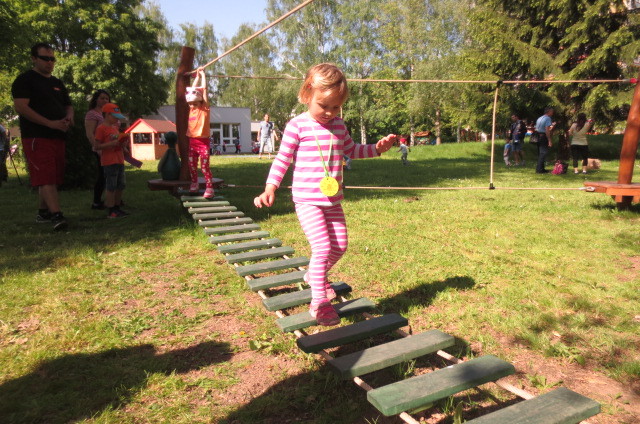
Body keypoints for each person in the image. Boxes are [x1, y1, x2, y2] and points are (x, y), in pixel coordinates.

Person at [254, 63, 396, 326]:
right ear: (307, 94)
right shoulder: (297, 126)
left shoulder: (339, 125)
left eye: (336, 107)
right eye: (324, 105)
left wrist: (377, 148)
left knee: (339, 247)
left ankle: (313, 275)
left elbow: (352, 150)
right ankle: (319, 303)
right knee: (322, 248)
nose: (330, 113)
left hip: (332, 200)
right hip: (307, 201)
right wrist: (270, 187)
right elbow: (282, 159)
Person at [11, 42, 74, 231]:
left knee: (53, 176)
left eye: (52, 59)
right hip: (37, 136)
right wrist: (49, 123)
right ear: (34, 58)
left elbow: (68, 105)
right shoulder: (25, 80)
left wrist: (68, 117)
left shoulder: (57, 83)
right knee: (46, 177)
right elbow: (21, 107)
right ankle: (57, 216)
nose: (49, 62)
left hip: (58, 135)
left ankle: (43, 212)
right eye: (45, 58)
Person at [94, 103, 129, 218]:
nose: (117, 119)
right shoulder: (101, 128)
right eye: (115, 117)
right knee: (111, 185)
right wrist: (111, 144)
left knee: (121, 184)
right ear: (107, 115)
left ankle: (117, 207)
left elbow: (118, 142)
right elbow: (96, 146)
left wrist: (123, 145)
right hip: (109, 161)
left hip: (119, 160)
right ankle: (111, 209)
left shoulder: (115, 128)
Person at [185, 68, 214, 199]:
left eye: (194, 103)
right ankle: (194, 183)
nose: (192, 106)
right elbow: (193, 90)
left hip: (203, 143)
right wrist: (196, 76)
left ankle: (209, 187)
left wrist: (203, 75)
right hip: (192, 142)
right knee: (191, 165)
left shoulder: (204, 108)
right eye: (190, 104)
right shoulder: (191, 109)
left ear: (200, 101)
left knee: (204, 167)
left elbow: (204, 90)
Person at [85, 89, 111, 209]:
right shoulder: (92, 114)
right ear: (96, 99)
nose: (105, 100)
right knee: (103, 175)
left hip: (112, 148)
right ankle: (96, 202)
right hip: (100, 149)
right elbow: (90, 134)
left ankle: (113, 199)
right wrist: (97, 148)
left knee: (113, 174)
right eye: (102, 98)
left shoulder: (110, 113)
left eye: (107, 98)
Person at [534, 106, 555, 174]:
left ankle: (542, 168)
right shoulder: (548, 118)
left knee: (540, 153)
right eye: (552, 111)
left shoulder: (540, 118)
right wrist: (549, 140)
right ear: (549, 111)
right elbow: (547, 130)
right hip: (543, 136)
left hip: (537, 136)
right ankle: (539, 169)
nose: (552, 113)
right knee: (543, 153)